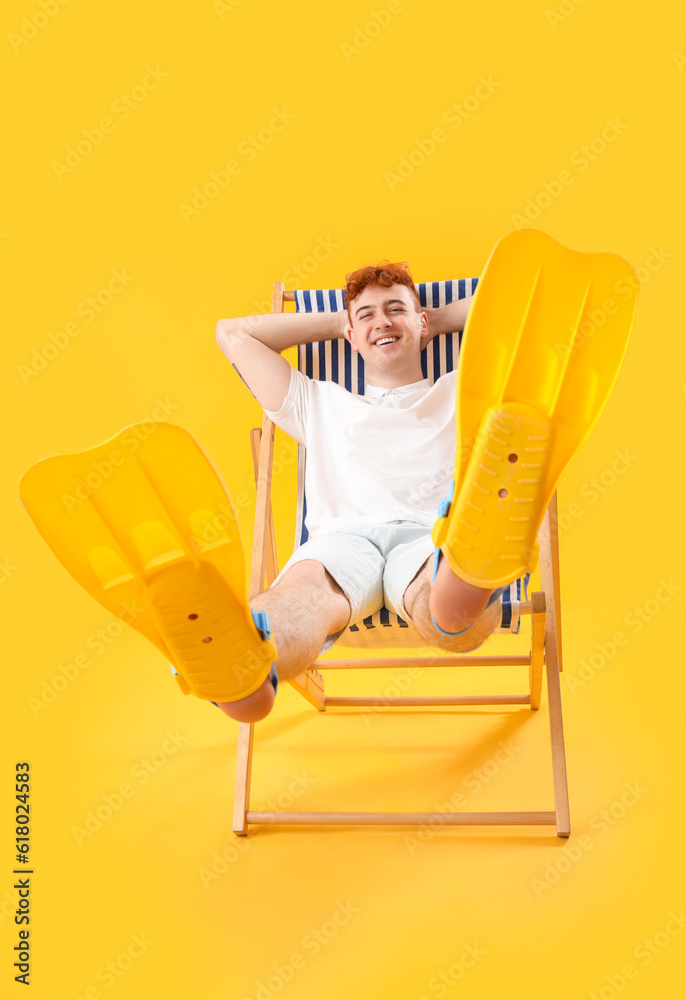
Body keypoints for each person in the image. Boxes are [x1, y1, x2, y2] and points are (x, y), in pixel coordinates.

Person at [214, 261, 505, 723]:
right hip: (342, 543)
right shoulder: (317, 401)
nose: (382, 322)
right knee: (303, 596)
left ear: (422, 321)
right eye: (366, 315)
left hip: (431, 535)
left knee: (436, 589)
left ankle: (460, 595)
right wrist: (340, 320)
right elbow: (231, 334)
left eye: (396, 310)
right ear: (350, 334)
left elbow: (520, 309)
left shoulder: (464, 391)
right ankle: (243, 667)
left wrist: (437, 318)